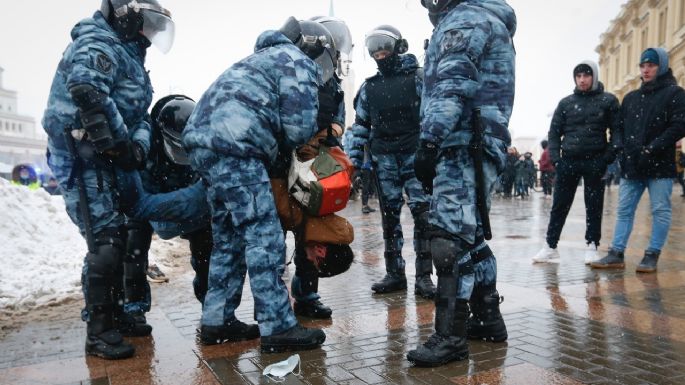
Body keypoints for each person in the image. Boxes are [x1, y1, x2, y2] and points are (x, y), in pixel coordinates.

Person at [182, 18, 333, 352]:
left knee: (229, 238)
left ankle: (217, 320)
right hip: (240, 149)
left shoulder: (257, 60)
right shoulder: (296, 61)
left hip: (203, 147)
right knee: (264, 236)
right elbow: (298, 129)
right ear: (314, 47)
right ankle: (278, 327)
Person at [42, 0, 175, 359]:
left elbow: (140, 116)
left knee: (125, 233)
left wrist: (138, 147)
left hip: (108, 159)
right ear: (127, 17)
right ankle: (99, 331)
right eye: (146, 25)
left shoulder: (129, 56)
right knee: (106, 240)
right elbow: (87, 89)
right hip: (82, 158)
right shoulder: (98, 43)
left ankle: (118, 315)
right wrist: (120, 144)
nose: (149, 35)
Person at [408, 0, 516, 367]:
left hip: (463, 141)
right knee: (470, 237)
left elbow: (454, 82)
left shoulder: (465, 20)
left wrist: (430, 139)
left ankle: (450, 338)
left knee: (448, 239)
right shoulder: (481, 18)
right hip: (477, 139)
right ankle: (487, 318)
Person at [349, 25, 436, 299]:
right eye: (376, 51)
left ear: (399, 47)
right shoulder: (369, 88)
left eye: (385, 49)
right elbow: (360, 126)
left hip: (415, 156)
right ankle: (395, 273)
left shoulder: (418, 79)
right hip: (384, 158)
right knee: (389, 217)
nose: (381, 55)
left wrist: (432, 150)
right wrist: (352, 161)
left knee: (423, 215)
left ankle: (424, 277)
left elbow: (432, 115)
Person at [122, 95, 213, 332]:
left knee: (206, 246)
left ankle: (211, 303)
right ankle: (134, 308)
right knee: (133, 248)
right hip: (147, 199)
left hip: (186, 198)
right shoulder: (144, 144)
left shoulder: (203, 139)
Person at [592, 48, 685, 273]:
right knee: (624, 210)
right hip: (632, 165)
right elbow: (621, 128)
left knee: (660, 210)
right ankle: (616, 252)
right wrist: (624, 150)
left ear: (661, 66)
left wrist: (652, 148)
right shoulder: (632, 97)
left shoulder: (675, 93)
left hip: (659, 165)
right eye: (643, 65)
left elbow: (679, 125)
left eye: (651, 65)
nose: (646, 69)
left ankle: (652, 254)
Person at [532, 61, 620, 265]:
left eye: (586, 75)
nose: (582, 80)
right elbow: (554, 133)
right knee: (559, 205)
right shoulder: (566, 103)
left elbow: (617, 133)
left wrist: (606, 158)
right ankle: (550, 246)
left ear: (594, 77)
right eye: (578, 76)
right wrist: (556, 159)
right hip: (568, 162)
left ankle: (592, 245)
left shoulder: (608, 101)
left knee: (594, 205)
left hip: (595, 161)